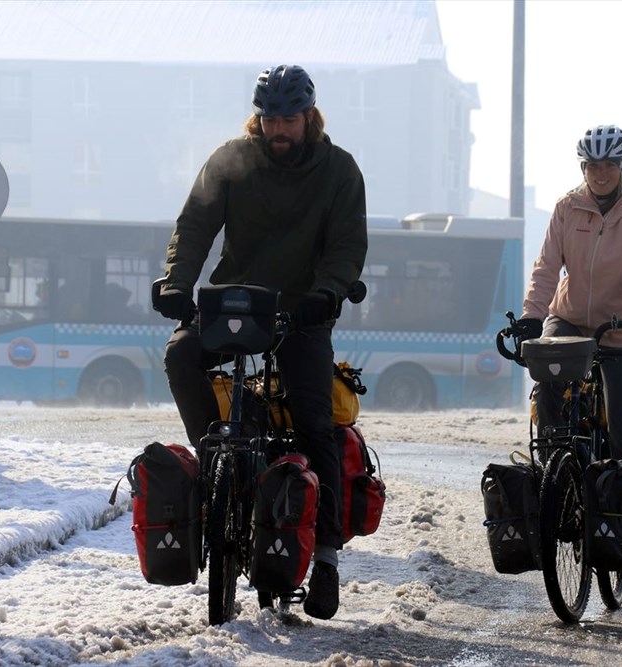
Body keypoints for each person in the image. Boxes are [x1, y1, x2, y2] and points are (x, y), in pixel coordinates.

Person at [152, 64, 368, 620]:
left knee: (315, 422)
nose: (278, 129)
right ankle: (215, 460)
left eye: (289, 119)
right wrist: (177, 284)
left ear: (309, 117)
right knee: (181, 354)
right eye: (270, 118)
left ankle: (326, 558)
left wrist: (326, 293)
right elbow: (194, 226)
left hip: (302, 313)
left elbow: (347, 246)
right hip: (235, 304)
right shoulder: (232, 160)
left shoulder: (339, 170)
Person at [516, 124, 622, 578]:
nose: (600, 174)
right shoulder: (568, 208)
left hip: (621, 329)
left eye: (609, 166)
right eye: (592, 166)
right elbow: (546, 267)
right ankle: (555, 481)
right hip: (569, 321)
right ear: (583, 168)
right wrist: (532, 316)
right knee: (547, 384)